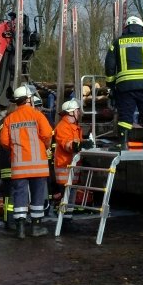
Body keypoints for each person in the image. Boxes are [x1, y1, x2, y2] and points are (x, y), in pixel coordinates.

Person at [0, 85, 54, 239]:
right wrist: (46, 146)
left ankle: (20, 229)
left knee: (20, 197)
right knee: (37, 196)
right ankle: (36, 228)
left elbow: (4, 141)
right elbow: (47, 134)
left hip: (19, 166)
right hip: (38, 166)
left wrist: (15, 149)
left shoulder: (9, 119)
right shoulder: (37, 115)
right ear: (29, 99)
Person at [104, 16, 143, 150]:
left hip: (125, 86)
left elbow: (109, 66)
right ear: (142, 27)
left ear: (126, 28)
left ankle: (123, 145)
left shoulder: (117, 43)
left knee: (125, 115)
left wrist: (110, 85)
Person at [52, 99, 88, 231]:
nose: (79, 112)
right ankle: (65, 222)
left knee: (70, 194)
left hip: (71, 167)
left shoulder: (74, 126)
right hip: (65, 166)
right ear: (71, 112)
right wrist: (80, 145)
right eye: (77, 110)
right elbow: (67, 144)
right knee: (67, 195)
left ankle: (67, 220)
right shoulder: (63, 127)